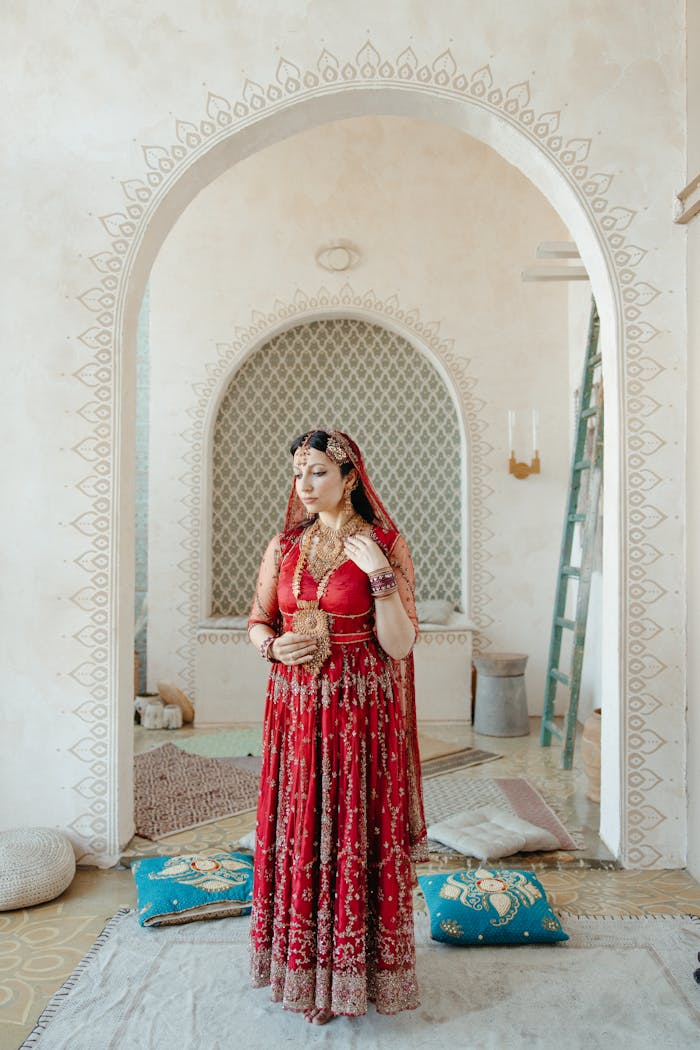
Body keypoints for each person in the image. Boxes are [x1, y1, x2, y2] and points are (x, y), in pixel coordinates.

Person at [247, 429, 427, 1025]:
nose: (304, 485)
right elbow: (258, 620)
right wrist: (272, 648)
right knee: (303, 828)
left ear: (351, 477)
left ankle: (355, 976)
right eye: (299, 474)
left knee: (353, 831)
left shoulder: (386, 544)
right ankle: (303, 969)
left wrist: (377, 573)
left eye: (318, 472)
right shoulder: (285, 545)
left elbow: (398, 645)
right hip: (296, 710)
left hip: (358, 711)